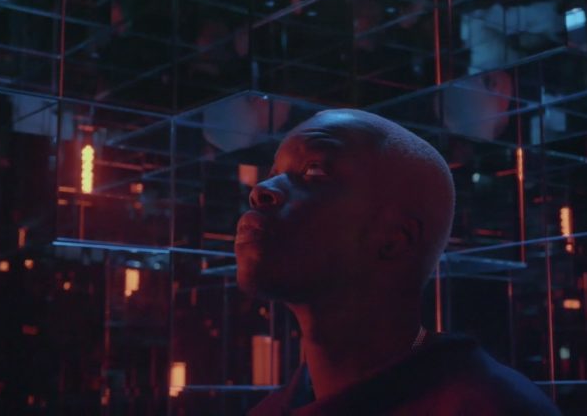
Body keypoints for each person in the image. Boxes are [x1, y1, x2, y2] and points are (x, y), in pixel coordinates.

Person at [235, 109, 561, 415]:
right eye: (273, 174)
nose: (260, 190)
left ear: (394, 239)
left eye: (314, 170)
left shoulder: (489, 406)